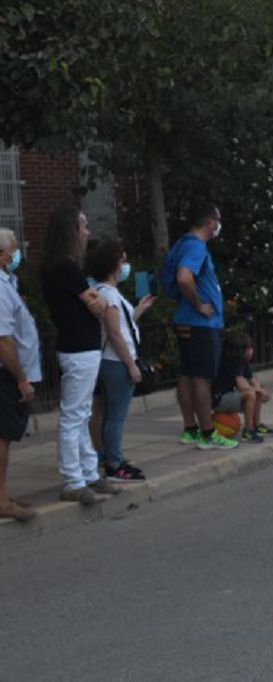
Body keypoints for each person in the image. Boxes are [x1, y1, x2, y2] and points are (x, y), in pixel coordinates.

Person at [40, 207, 120, 504]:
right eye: (83, 226)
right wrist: (93, 300)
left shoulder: (59, 266)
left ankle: (88, 473)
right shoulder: (65, 267)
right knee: (74, 414)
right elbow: (95, 303)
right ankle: (74, 479)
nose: (87, 232)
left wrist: (93, 300)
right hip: (78, 347)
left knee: (82, 412)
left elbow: (94, 301)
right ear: (70, 230)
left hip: (80, 346)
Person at [167, 202, 237, 450]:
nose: (219, 224)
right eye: (217, 219)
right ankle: (208, 433)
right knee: (202, 379)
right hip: (200, 323)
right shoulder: (195, 246)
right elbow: (184, 277)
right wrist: (199, 305)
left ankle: (190, 429)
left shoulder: (182, 243)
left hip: (185, 321)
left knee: (187, 375)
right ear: (210, 222)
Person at [87, 240, 156, 481]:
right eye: (122, 261)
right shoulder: (108, 294)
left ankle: (112, 456)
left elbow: (122, 326)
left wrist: (139, 310)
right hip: (117, 362)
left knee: (109, 413)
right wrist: (131, 365)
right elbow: (115, 334)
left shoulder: (107, 293)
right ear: (113, 265)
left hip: (113, 361)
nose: (125, 265)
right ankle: (115, 464)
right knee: (116, 415)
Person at [0, 228, 40, 521]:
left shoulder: (7, 282)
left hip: (10, 373)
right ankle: (1, 501)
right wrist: (21, 379)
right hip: (6, 374)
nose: (16, 254)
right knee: (2, 436)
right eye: (13, 249)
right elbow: (3, 339)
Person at [212, 332, 273, 443]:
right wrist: (258, 391)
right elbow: (243, 386)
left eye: (251, 347)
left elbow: (252, 380)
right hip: (218, 400)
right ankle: (248, 431)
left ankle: (257, 426)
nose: (251, 351)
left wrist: (261, 391)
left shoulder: (243, 362)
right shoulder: (232, 362)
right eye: (248, 348)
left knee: (256, 393)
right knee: (250, 394)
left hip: (227, 397)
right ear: (238, 351)